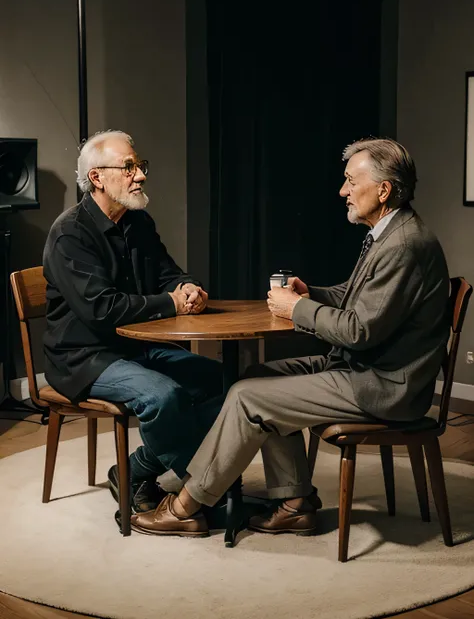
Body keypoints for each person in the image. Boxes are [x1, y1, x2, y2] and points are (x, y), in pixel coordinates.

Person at [129, 137, 451, 538]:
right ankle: (295, 503)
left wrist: (295, 309)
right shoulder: (392, 232)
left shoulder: (403, 244)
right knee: (258, 376)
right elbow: (358, 299)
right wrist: (309, 293)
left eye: (351, 181)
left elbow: (359, 330)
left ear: (383, 190)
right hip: (367, 369)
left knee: (248, 398)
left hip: (384, 385)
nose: (343, 191)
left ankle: (186, 506)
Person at [43, 130, 224, 514]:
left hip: (135, 346)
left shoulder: (137, 221)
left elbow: (167, 274)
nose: (140, 174)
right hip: (84, 356)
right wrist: (171, 304)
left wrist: (188, 288)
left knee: (225, 383)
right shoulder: (69, 233)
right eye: (128, 167)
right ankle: (208, 489)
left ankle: (136, 469)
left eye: (140, 166)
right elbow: (101, 310)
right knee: (163, 396)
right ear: (97, 177)